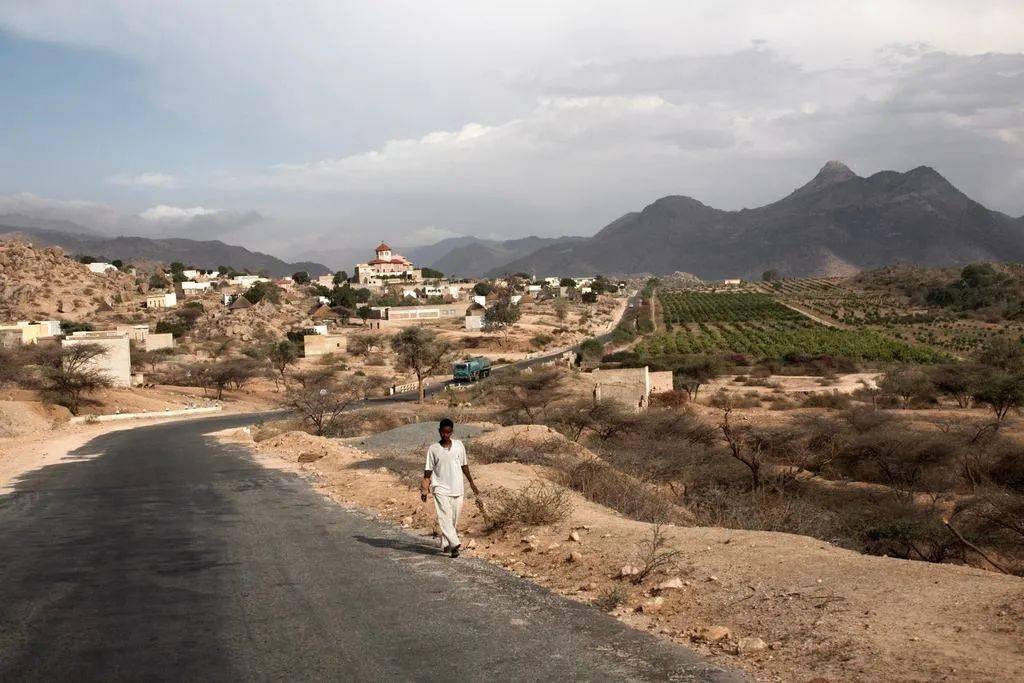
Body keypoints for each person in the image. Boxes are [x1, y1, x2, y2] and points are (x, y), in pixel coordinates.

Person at [421, 418, 480, 558]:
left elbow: (464, 465)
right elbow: (428, 470)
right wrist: (424, 488)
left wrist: (471, 482)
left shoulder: (459, 445)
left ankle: (446, 543)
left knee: (453, 519)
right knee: (444, 517)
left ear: (452, 432)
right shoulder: (433, 449)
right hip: (440, 488)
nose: (445, 435)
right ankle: (455, 544)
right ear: (439, 431)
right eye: (443, 432)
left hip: (457, 488)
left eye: (448, 432)